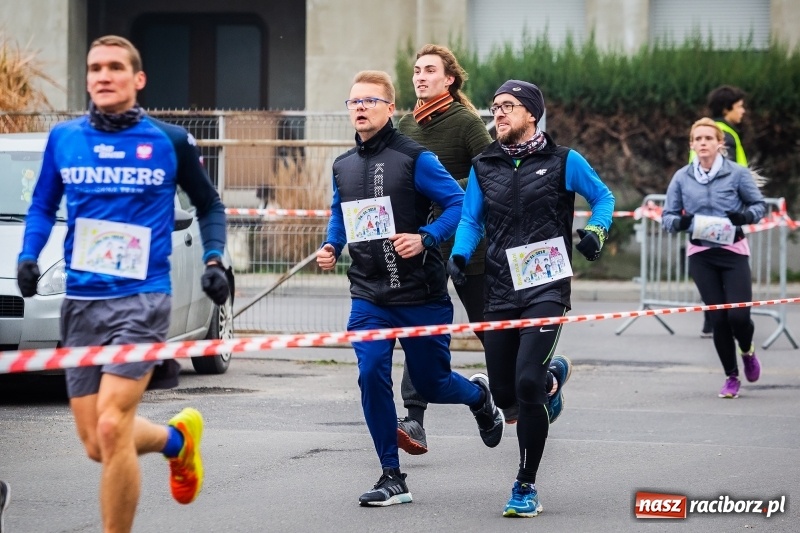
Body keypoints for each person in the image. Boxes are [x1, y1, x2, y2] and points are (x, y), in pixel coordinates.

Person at [16, 35, 229, 533]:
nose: (103, 76)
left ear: (138, 79)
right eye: (95, 68)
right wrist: (30, 254)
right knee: (96, 443)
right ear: (87, 78)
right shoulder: (64, 139)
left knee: (112, 427)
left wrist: (215, 259)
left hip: (143, 299)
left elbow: (210, 204)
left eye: (115, 67)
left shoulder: (168, 140)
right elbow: (44, 205)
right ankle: (177, 443)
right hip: (83, 302)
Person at [316, 70, 503, 507]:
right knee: (370, 375)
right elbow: (339, 213)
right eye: (353, 101)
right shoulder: (343, 165)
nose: (359, 107)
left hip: (420, 296)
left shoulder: (415, 158)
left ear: (389, 108)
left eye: (369, 100)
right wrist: (331, 244)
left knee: (434, 385)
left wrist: (428, 237)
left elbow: (459, 205)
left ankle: (478, 397)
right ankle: (391, 475)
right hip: (369, 297)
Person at [449, 80, 615, 517]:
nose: (498, 114)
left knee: (525, 382)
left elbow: (603, 197)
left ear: (531, 114)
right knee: (507, 396)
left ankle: (525, 486)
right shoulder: (484, 164)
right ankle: (552, 381)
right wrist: (460, 255)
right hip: (502, 287)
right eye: (495, 107)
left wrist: (596, 232)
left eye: (508, 107)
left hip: (547, 285)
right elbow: (471, 219)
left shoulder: (564, 161)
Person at [663, 117, 765, 399]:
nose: (703, 143)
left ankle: (747, 350)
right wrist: (681, 223)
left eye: (708, 138)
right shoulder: (682, 177)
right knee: (719, 318)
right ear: (692, 145)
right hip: (702, 254)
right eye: (698, 139)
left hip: (733, 252)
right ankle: (731, 377)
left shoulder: (737, 174)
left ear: (720, 144)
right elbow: (667, 217)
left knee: (739, 316)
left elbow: (759, 206)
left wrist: (745, 216)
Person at [698, 85, 750, 337]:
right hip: (719, 212)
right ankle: (717, 321)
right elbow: (724, 175)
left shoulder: (707, 132)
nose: (743, 111)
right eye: (740, 106)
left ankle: (713, 320)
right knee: (719, 264)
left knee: (710, 263)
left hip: (705, 210)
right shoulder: (723, 135)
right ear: (727, 108)